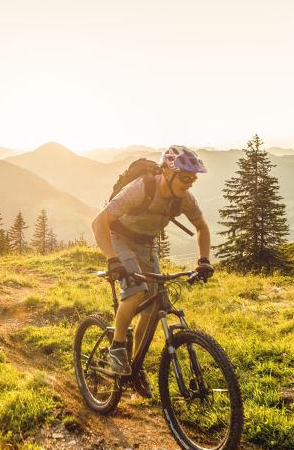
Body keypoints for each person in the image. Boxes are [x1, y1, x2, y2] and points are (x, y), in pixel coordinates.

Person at [90, 145, 214, 396]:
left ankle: (136, 367)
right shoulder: (141, 189)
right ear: (168, 172)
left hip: (147, 243)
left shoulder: (184, 199)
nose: (189, 183)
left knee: (152, 306)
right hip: (120, 237)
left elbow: (201, 226)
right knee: (136, 291)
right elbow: (99, 222)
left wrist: (203, 260)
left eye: (193, 178)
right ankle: (116, 346)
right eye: (184, 177)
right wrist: (113, 260)